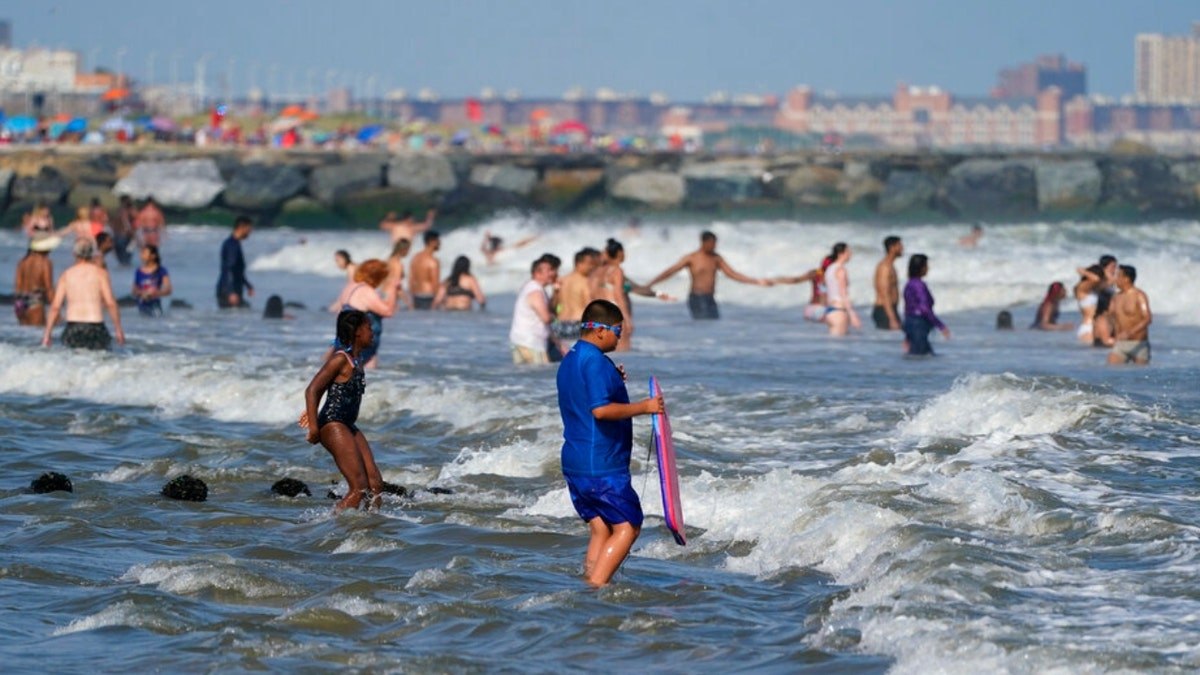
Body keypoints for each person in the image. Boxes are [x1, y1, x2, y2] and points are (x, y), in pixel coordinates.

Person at [556, 299, 664, 587]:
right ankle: (597, 586)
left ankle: (588, 583)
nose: (621, 337)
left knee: (601, 529)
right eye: (618, 330)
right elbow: (600, 410)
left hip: (576, 460)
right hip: (600, 464)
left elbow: (585, 394)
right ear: (601, 331)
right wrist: (646, 407)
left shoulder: (574, 357)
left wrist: (613, 381)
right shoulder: (594, 362)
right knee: (628, 527)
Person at [299, 309, 384, 512]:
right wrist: (313, 426)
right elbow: (313, 390)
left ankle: (370, 528)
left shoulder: (358, 360)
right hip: (333, 422)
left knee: (375, 484)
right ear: (356, 332)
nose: (373, 332)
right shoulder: (340, 359)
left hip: (348, 424)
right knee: (359, 488)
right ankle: (330, 526)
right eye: (369, 328)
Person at [645, 230, 771, 320]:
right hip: (697, 298)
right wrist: (651, 284)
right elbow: (670, 271)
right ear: (704, 242)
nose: (714, 246)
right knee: (702, 326)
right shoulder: (691, 258)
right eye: (712, 243)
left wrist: (756, 282)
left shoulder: (716, 258)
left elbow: (732, 274)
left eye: (715, 243)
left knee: (714, 323)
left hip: (710, 298)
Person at [42, 239, 125, 350]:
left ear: (74, 253)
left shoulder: (66, 275)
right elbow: (110, 303)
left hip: (73, 327)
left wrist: (47, 334)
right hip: (96, 326)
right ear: (91, 253)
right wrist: (118, 330)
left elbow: (56, 306)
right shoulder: (101, 274)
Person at [329, 259, 399, 369]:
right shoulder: (365, 291)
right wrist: (393, 290)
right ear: (376, 277)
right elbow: (388, 311)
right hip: (362, 342)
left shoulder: (351, 286)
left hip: (347, 340)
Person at [509, 257, 557, 365]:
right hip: (531, 342)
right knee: (540, 376)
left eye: (552, 270)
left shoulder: (529, 286)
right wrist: (555, 317)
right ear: (537, 273)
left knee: (526, 378)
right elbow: (546, 318)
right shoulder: (536, 291)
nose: (552, 273)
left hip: (521, 340)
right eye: (548, 271)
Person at [1103, 265, 1152, 365]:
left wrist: (1129, 332)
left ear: (1126, 279)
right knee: (1110, 372)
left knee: (1141, 377)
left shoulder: (1139, 295)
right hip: (1120, 344)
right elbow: (1109, 316)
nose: (1115, 279)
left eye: (1118, 276)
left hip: (1138, 344)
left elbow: (1148, 319)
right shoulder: (1116, 297)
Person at [902, 254, 949, 356]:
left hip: (910, 323)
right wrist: (941, 326)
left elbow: (907, 309)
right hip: (918, 324)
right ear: (921, 267)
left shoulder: (909, 284)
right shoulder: (919, 285)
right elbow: (924, 308)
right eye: (926, 265)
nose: (928, 268)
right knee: (922, 357)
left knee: (919, 356)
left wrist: (907, 334)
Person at [556, 247, 600, 339]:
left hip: (560, 324)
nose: (591, 267)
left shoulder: (561, 280)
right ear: (579, 263)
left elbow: (555, 305)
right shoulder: (586, 281)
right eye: (589, 264)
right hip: (578, 324)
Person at [13, 237, 58, 326]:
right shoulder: (45, 262)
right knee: (37, 334)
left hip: (20, 302)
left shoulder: (22, 262)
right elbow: (49, 287)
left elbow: (17, 286)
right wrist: (56, 310)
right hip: (35, 301)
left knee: (23, 336)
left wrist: (18, 304)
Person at [823, 242, 862, 336]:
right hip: (839, 311)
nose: (850, 255)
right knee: (839, 345)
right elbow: (843, 293)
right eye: (848, 252)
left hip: (829, 310)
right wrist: (852, 314)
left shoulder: (829, 269)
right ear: (841, 254)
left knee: (833, 346)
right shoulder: (841, 270)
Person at [216, 216, 254, 308]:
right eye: (249, 229)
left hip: (229, 289)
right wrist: (231, 291)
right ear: (242, 227)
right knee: (234, 317)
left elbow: (237, 271)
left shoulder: (234, 244)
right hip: (228, 291)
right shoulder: (232, 245)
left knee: (243, 313)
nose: (250, 232)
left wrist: (248, 285)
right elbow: (229, 268)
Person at [872, 236, 903, 330]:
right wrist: (892, 318)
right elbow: (884, 294)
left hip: (890, 309)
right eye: (899, 245)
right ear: (892, 247)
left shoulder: (891, 266)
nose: (902, 248)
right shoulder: (884, 268)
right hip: (884, 310)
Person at [132, 244, 172, 317]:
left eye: (144, 253)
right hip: (142, 305)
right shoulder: (139, 271)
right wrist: (140, 293)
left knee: (156, 322)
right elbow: (134, 289)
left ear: (153, 256)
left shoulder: (161, 271)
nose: (141, 255)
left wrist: (155, 293)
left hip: (155, 305)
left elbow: (168, 290)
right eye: (141, 253)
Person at [409, 230, 441, 310]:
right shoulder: (433, 261)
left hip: (417, 296)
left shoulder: (415, 258)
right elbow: (435, 283)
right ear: (432, 242)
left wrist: (413, 296)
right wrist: (438, 300)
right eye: (438, 241)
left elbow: (411, 279)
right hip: (429, 296)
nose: (440, 244)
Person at [1073, 264, 1104, 344]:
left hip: (1095, 327)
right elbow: (1096, 279)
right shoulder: (1082, 287)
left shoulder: (1094, 290)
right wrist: (1084, 272)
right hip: (1088, 327)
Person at [110, 195, 135, 266]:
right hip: (124, 235)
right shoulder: (125, 210)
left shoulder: (118, 210)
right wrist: (130, 232)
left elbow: (113, 223)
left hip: (117, 234)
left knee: (121, 254)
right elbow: (126, 222)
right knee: (126, 254)